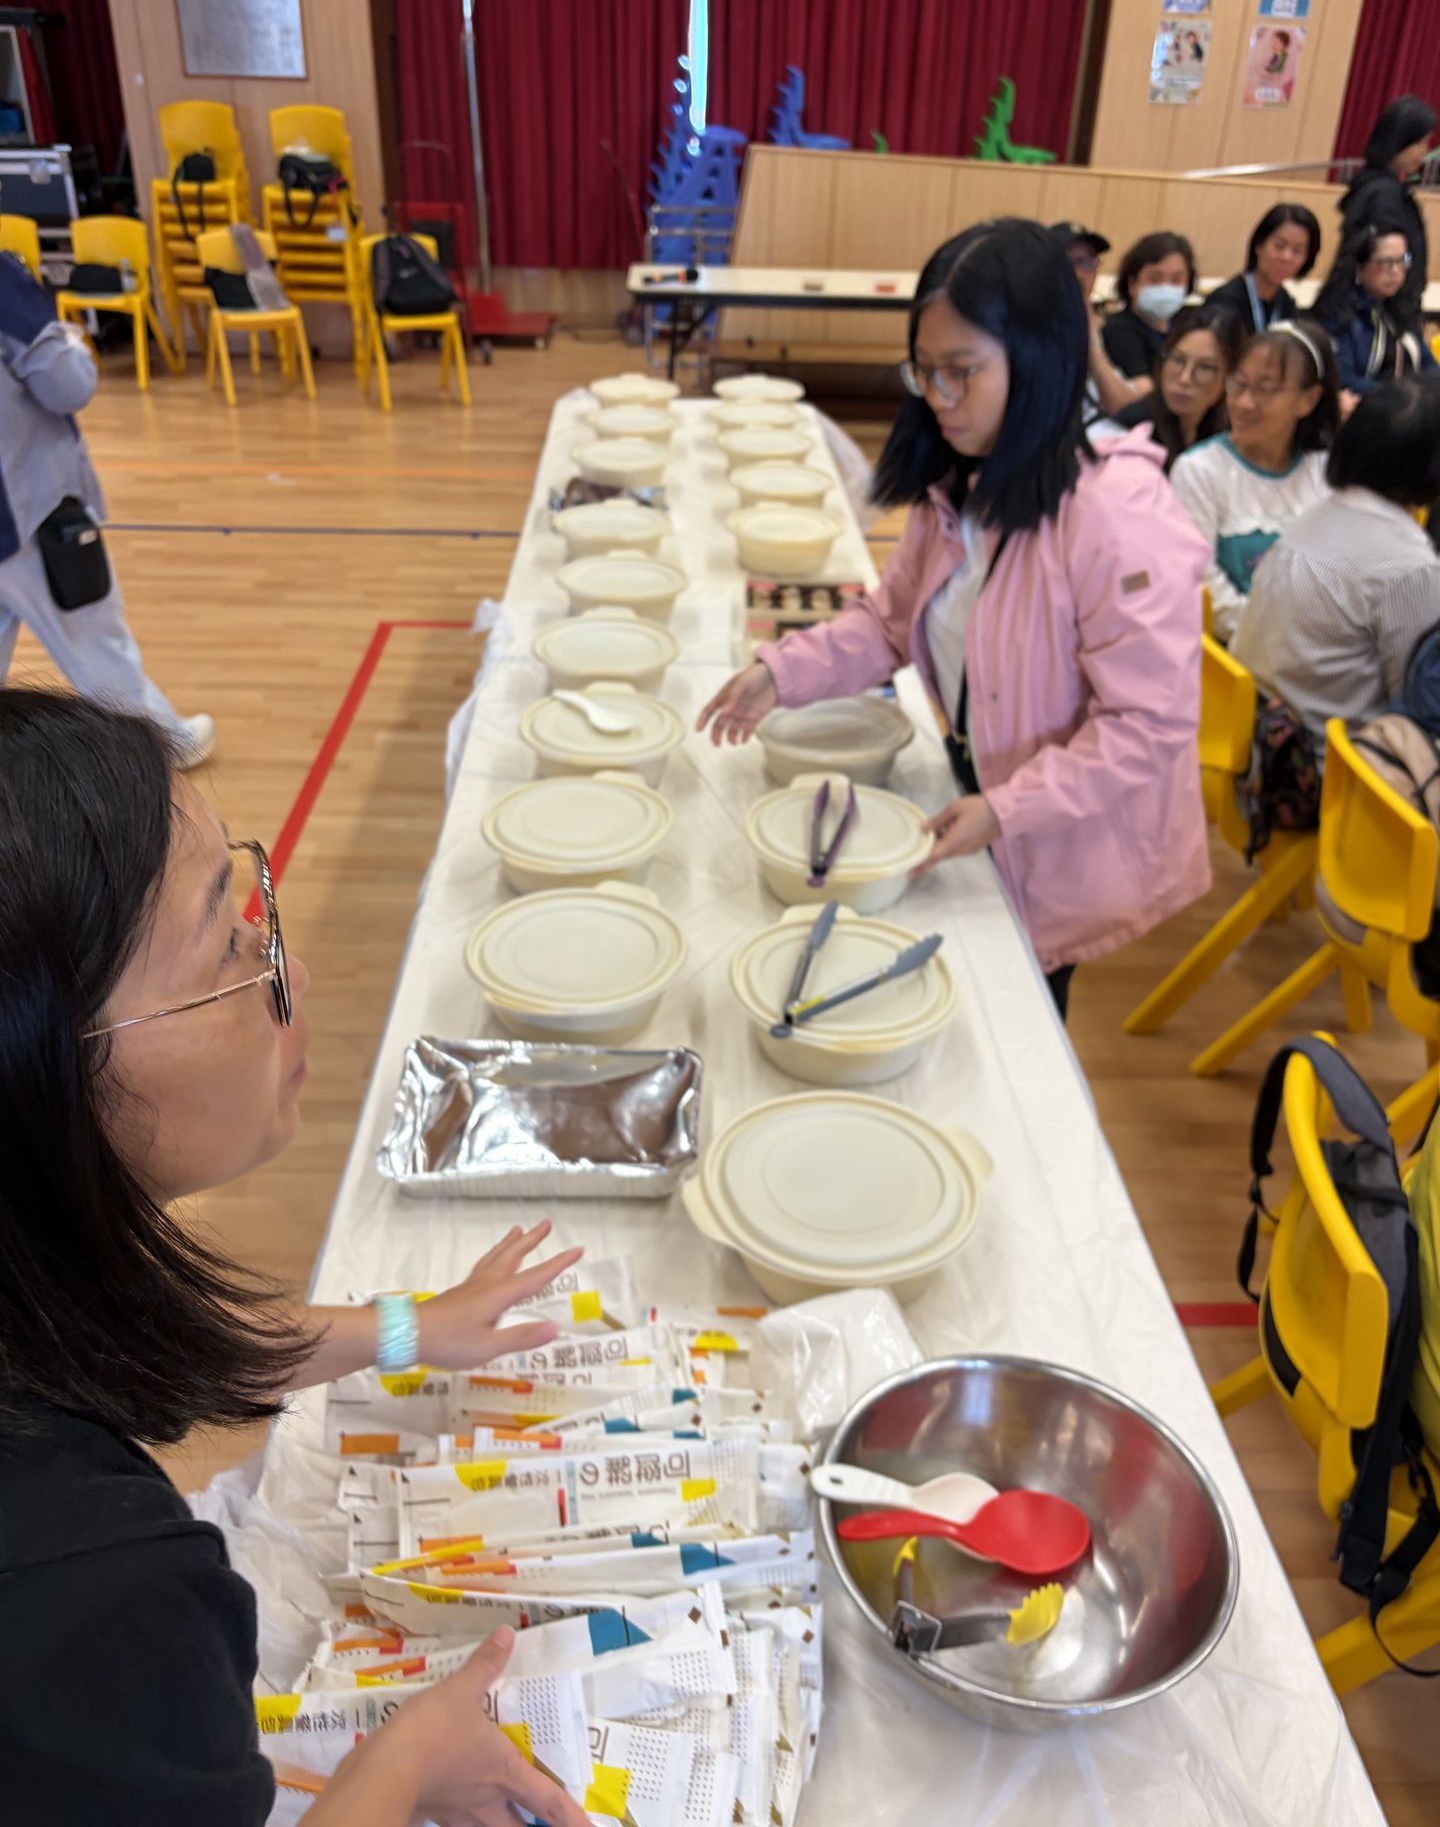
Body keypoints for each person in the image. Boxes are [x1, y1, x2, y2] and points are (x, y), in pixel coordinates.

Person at [0, 688, 593, 1827]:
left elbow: (155, 1342)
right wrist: (406, 1762)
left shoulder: (37, 1292)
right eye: (224, 942)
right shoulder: (92, 1600)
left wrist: (413, 1327)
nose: (294, 972)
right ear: (42, 1067)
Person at [696, 219, 1211, 1020]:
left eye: (961, 373)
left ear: (1037, 362)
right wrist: (781, 673)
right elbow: (891, 621)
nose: (937, 398)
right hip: (983, 800)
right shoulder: (962, 479)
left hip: (1059, 843)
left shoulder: (1117, 517)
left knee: (1018, 1021)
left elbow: (1147, 725)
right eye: (924, 371)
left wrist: (1006, 809)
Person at [0, 251, 213, 766]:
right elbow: (67, 384)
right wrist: (72, 344)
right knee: (94, 639)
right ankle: (159, 746)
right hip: (25, 510)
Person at [1232, 376, 1440, 743]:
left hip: (1254, 738)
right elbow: (1420, 703)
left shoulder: (1316, 516)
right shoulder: (1408, 567)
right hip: (1331, 762)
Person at [1170, 320, 1339, 641]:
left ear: (1308, 400)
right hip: (1235, 652)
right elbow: (1203, 586)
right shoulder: (1199, 471)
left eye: (1265, 389)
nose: (1244, 403)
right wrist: (1276, 643)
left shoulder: (1323, 472)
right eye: (1239, 385)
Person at [1313, 222, 1438, 411]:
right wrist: (1406, 396)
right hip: (1363, 412)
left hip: (1405, 410)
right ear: (1359, 267)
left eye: (1403, 260)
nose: (1396, 271)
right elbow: (1344, 379)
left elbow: (1430, 368)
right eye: (1386, 263)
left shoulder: (1400, 311)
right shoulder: (1338, 313)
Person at [1107, 301, 1246, 470]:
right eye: (1178, 360)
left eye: (1205, 367)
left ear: (1231, 376)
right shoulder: (1132, 429)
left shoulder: (1229, 428)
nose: (1184, 378)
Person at [1339, 94, 1436, 321]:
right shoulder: (1382, 194)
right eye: (1420, 143)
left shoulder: (1381, 187)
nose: (1424, 151)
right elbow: (1385, 262)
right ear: (1399, 139)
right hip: (1383, 311)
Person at [1049, 220, 1148, 421]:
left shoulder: (1097, 327)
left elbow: (1126, 405)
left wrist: (1091, 344)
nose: (1078, 275)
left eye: (1087, 263)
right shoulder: (1026, 329)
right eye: (1067, 263)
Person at [1207, 202, 1322, 335]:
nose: (1286, 257)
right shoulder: (1224, 302)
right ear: (1259, 244)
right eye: (1279, 246)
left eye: (1297, 251)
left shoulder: (1287, 305)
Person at [1101, 231, 1197, 388]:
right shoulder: (1119, 330)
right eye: (1155, 279)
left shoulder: (1190, 324)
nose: (1166, 288)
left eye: (1176, 280)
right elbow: (1144, 390)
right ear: (1132, 283)